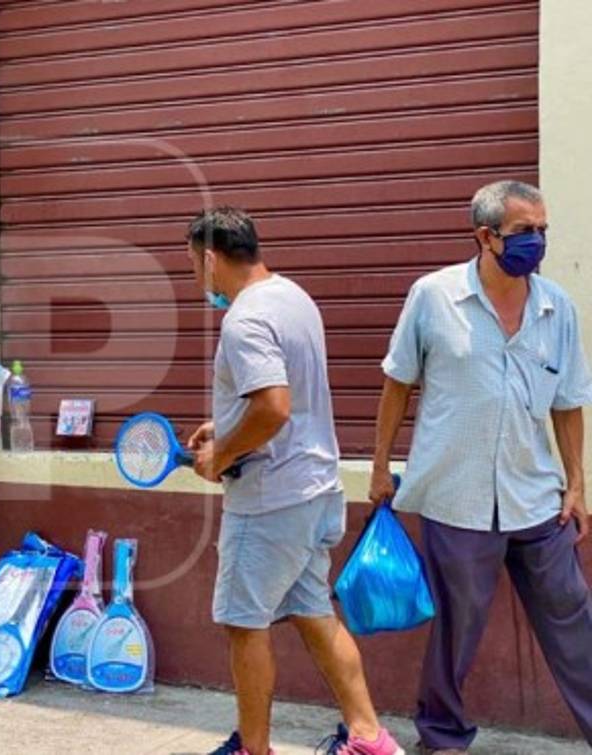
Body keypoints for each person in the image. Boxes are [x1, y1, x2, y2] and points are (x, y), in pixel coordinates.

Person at [370, 180, 592, 752]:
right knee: (458, 628)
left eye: (544, 230)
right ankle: (442, 736)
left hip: (536, 496)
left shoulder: (555, 308)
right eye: (524, 232)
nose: (537, 242)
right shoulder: (433, 296)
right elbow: (397, 384)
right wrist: (379, 466)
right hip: (457, 497)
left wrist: (577, 484)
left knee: (572, 618)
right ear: (485, 237)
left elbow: (569, 404)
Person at [186, 208, 403, 755]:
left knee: (243, 623)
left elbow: (275, 407)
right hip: (316, 491)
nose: (196, 278)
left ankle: (253, 749)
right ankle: (369, 737)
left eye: (193, 265)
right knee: (314, 615)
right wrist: (229, 424)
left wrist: (220, 456)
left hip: (269, 501)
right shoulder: (293, 297)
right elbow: (289, 395)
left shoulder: (243, 319)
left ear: (211, 259)